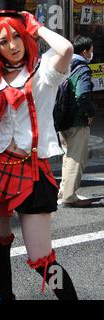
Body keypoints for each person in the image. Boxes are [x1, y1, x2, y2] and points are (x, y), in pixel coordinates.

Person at [0, 8, 78, 300]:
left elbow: (67, 48)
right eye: (3, 41)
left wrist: (38, 28)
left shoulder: (42, 70)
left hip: (32, 170)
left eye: (17, 37)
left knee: (43, 260)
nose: (12, 45)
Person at [58, 35, 95, 208]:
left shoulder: (64, 65)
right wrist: (90, 113)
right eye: (91, 50)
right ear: (85, 51)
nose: (91, 53)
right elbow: (83, 94)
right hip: (77, 120)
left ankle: (63, 191)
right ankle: (69, 196)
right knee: (76, 158)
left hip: (61, 119)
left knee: (68, 156)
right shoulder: (82, 69)